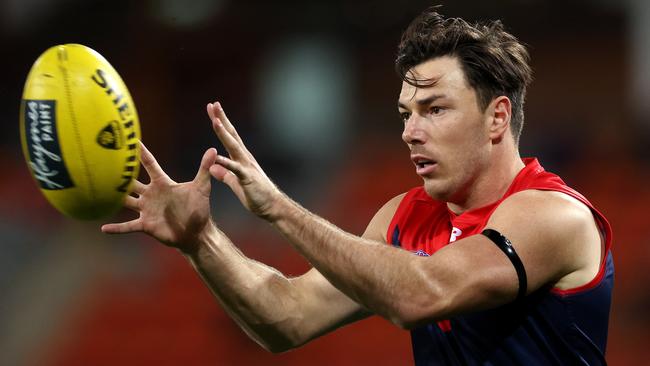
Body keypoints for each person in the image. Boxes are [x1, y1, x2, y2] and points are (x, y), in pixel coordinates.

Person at [102, 7, 613, 365]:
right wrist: (201, 240)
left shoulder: (554, 215)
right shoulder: (405, 216)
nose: (411, 131)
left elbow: (424, 294)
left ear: (497, 116)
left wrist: (280, 209)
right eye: (406, 114)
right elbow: (289, 318)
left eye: (434, 109)